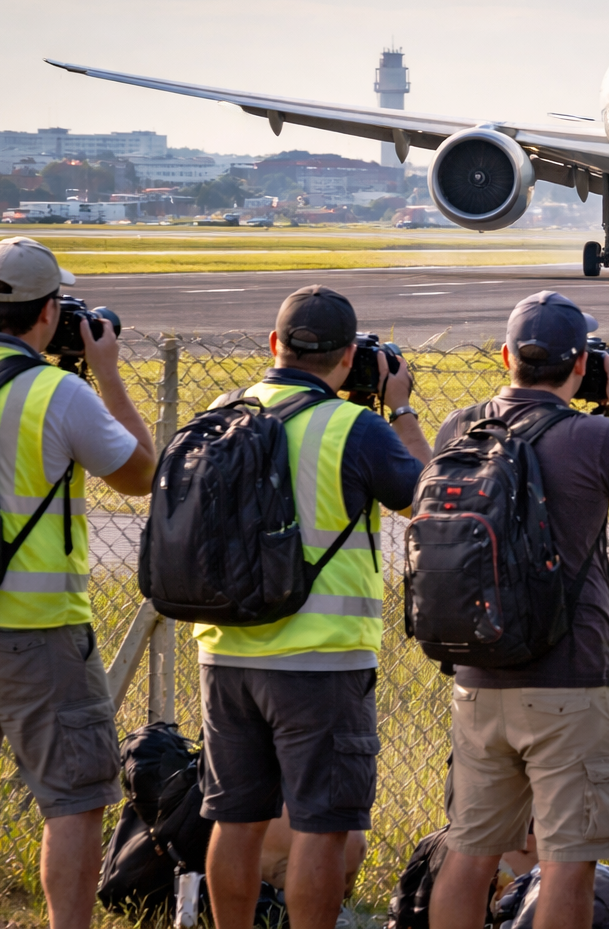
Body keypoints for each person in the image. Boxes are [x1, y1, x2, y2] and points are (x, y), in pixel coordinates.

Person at [0, 238, 157, 929]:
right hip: (34, 632)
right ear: (48, 314)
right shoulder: (58, 391)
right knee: (74, 798)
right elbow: (140, 476)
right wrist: (106, 372)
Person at [428, 291, 609, 929]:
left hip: (478, 675)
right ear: (580, 367)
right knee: (570, 864)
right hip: (571, 678)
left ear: (506, 356)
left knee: (469, 855)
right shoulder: (594, 435)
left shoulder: (460, 428)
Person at [195, 285, 431, 929]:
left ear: (275, 344)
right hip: (321, 660)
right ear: (350, 354)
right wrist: (400, 407)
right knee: (323, 828)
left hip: (227, 650)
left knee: (235, 820)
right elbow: (430, 498)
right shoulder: (355, 427)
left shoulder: (227, 409)